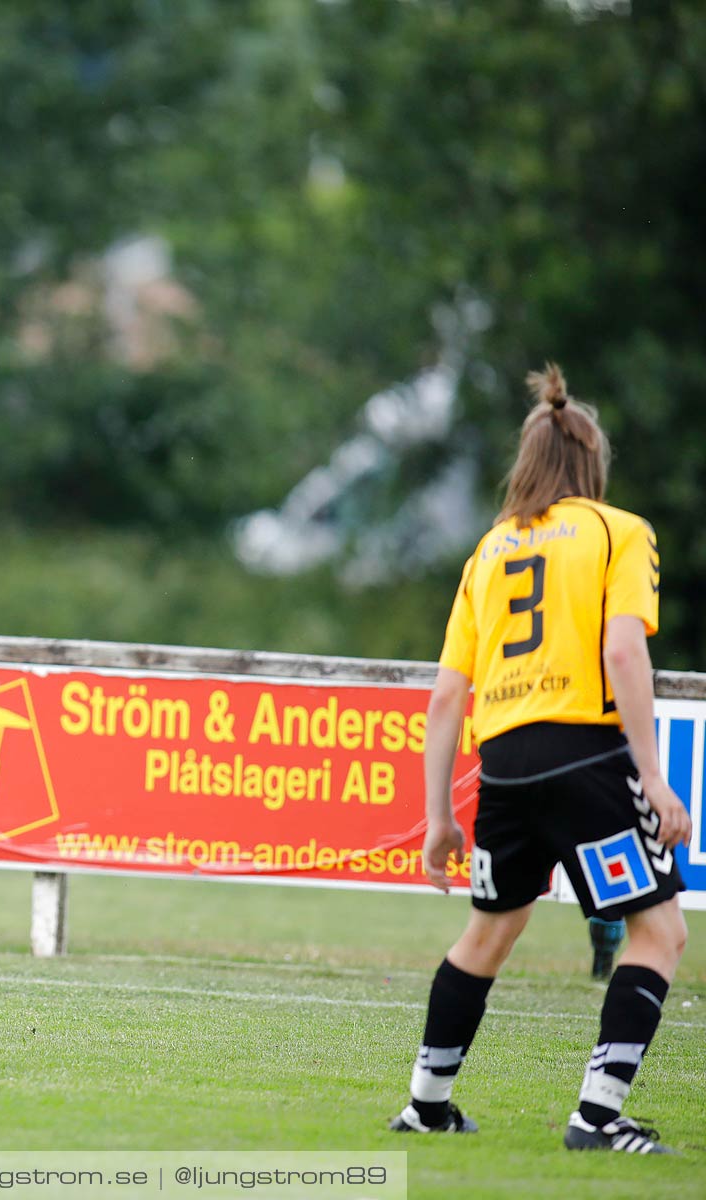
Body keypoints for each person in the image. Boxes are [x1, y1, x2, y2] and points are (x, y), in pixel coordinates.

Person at [389, 364, 690, 1152]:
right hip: (584, 756)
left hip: (506, 766)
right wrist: (652, 777)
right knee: (659, 932)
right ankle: (597, 1116)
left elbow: (447, 696)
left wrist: (437, 819)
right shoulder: (619, 531)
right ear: (592, 463)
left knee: (487, 933)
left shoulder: (488, 552)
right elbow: (624, 652)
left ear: (525, 464)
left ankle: (426, 1104)